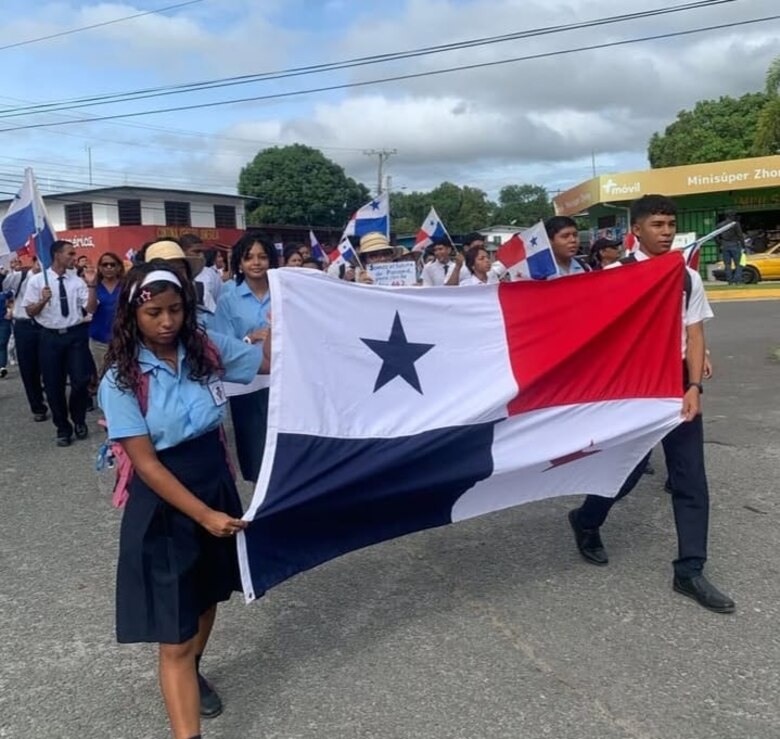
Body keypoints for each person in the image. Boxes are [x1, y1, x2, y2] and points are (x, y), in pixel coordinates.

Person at [98, 261, 270, 739]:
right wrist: (205, 515)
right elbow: (146, 465)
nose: (167, 322)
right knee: (174, 635)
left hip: (213, 480)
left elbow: (265, 361)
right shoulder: (121, 379)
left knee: (207, 596)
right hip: (165, 501)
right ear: (133, 315)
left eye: (175, 310)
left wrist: (291, 315)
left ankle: (192, 670)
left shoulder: (203, 347)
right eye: (154, 312)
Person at [567, 194, 734, 614]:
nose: (666, 232)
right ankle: (586, 520)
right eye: (657, 225)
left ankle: (690, 570)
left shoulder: (687, 277)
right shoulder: (615, 276)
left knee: (690, 477)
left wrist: (693, 385)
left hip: (677, 385)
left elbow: (694, 333)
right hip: (633, 386)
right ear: (636, 230)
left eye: (671, 224)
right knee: (626, 471)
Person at [213, 232, 277, 482]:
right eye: (249, 257)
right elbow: (223, 346)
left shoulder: (284, 293)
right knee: (255, 448)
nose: (256, 263)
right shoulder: (228, 299)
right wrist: (250, 337)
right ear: (239, 262)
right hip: (247, 381)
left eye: (263, 257)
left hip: (283, 378)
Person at [23, 241, 97, 446]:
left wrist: (91, 285)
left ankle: (79, 418)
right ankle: (63, 427)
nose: (74, 257)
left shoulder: (77, 281)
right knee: (53, 385)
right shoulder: (38, 281)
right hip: (50, 337)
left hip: (75, 335)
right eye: (70, 253)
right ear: (57, 255)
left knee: (81, 380)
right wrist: (42, 300)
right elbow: (30, 311)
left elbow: (91, 309)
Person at [2, 257, 47, 419]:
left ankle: (55, 398)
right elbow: (4, 284)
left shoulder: (50, 278)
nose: (41, 266)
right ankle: (37, 407)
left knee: (51, 365)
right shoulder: (20, 277)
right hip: (25, 325)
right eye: (39, 262)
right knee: (29, 369)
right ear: (34, 262)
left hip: (46, 325)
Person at [89, 252, 124, 372]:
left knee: (124, 374)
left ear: (119, 267)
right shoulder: (94, 286)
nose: (109, 267)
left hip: (122, 339)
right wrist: (91, 286)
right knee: (104, 375)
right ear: (99, 268)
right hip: (100, 341)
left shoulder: (126, 285)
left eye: (112, 264)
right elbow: (91, 309)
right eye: (105, 264)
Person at [716, 210, 746, 285]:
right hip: (734, 244)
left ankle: (730, 281)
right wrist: (743, 246)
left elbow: (716, 237)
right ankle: (737, 280)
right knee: (738, 263)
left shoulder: (720, 225)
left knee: (727, 264)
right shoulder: (735, 224)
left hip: (725, 245)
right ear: (732, 216)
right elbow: (740, 235)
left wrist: (720, 244)